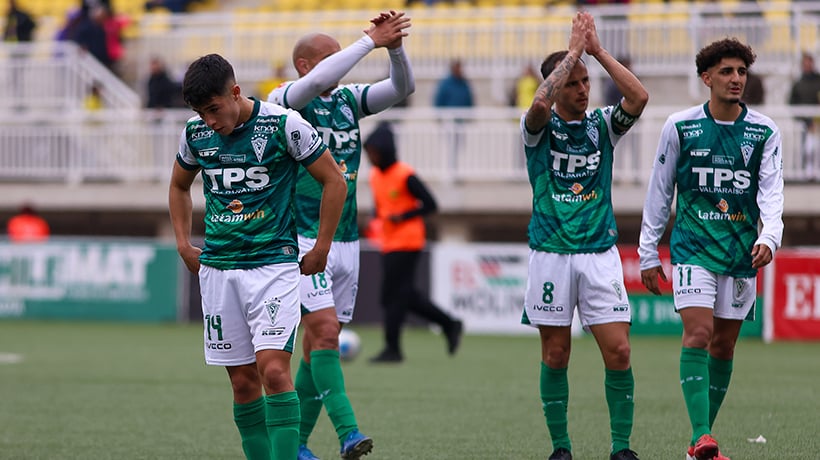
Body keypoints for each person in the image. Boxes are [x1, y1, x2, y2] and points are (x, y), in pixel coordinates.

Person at [168, 53, 346, 460]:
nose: (210, 120)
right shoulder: (195, 134)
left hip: (273, 267)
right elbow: (178, 187)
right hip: (218, 271)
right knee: (243, 384)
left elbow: (334, 180)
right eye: (201, 112)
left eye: (214, 109)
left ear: (235, 92)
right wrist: (182, 242)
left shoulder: (284, 124)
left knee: (274, 371)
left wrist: (321, 246)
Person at [266, 11, 413, 460]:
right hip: (303, 237)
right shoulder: (285, 99)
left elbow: (402, 89)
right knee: (326, 333)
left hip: (345, 238)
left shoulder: (348, 99)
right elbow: (317, 83)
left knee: (317, 347)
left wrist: (395, 49)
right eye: (332, 58)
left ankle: (298, 445)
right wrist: (367, 41)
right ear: (306, 66)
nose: (344, 64)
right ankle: (349, 433)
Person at [639, 38, 784, 460]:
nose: (736, 78)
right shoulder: (680, 127)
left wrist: (768, 237)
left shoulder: (764, 131)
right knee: (699, 334)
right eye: (726, 71)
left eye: (741, 71)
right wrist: (649, 251)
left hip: (741, 253)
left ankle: (696, 445)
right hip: (693, 248)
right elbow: (659, 191)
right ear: (706, 78)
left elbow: (772, 195)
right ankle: (703, 435)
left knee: (724, 347)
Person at [520, 12, 648, 460]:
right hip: (552, 253)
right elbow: (538, 108)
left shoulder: (602, 127)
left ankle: (621, 448)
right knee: (556, 355)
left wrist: (596, 52)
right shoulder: (538, 129)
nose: (583, 89)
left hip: (598, 253)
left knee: (619, 350)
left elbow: (639, 96)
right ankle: (561, 448)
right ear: (556, 84)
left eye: (585, 82)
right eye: (573, 82)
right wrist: (572, 51)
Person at [364, 122, 463, 363]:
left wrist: (404, 216)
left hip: (408, 241)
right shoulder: (375, 176)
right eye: (368, 152)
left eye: (374, 152)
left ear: (386, 150)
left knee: (392, 296)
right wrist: (375, 222)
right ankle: (449, 323)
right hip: (388, 241)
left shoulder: (404, 174)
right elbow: (380, 207)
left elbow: (431, 204)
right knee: (404, 295)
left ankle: (393, 349)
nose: (371, 157)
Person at [788, 52, 820, 180]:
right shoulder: (798, 83)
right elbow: (792, 102)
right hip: (804, 122)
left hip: (817, 122)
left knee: (816, 148)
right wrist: (805, 120)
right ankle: (807, 172)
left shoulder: (818, 81)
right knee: (807, 149)